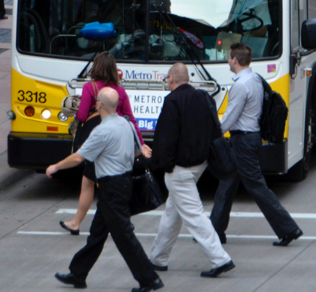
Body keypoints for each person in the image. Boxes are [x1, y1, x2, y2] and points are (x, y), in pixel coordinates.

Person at [48, 88, 163, 292]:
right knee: (97, 234)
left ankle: (149, 280)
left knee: (124, 236)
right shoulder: (126, 124)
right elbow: (137, 149)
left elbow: (78, 157)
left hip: (113, 189)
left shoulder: (102, 131)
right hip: (122, 184)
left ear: (99, 105)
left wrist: (55, 166)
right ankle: (78, 274)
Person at [210, 43, 302, 247]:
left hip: (243, 140)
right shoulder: (255, 79)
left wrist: (213, 135)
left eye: (228, 57)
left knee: (257, 187)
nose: (228, 60)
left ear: (234, 59)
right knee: (227, 183)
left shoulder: (240, 86)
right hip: (249, 138)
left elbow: (231, 117)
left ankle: (288, 228)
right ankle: (214, 230)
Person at [148, 63, 235, 277]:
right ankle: (158, 258)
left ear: (171, 79)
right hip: (200, 164)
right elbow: (214, 129)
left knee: (194, 215)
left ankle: (220, 259)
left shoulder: (172, 101)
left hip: (179, 169)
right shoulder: (203, 97)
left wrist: (164, 165)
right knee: (173, 213)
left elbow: (166, 138)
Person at [60, 52, 151, 236]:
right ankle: (117, 221)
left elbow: (83, 116)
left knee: (89, 183)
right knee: (101, 182)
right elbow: (131, 119)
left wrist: (76, 112)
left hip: (97, 141)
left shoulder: (90, 88)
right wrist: (141, 143)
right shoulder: (121, 92)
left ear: (96, 68)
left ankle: (79, 222)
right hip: (117, 142)